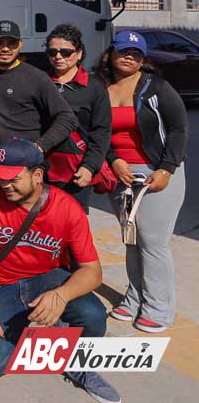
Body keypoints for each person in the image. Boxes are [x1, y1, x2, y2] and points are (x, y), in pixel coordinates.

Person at [0, 139, 121, 403]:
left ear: (37, 176)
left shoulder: (67, 208)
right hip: (0, 284)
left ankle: (79, 363)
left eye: (12, 178)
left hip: (47, 278)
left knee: (94, 316)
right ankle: (38, 329)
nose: (4, 185)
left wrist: (60, 295)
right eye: (0, 177)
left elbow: (93, 272)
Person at [100, 30, 188, 334]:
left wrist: (166, 169)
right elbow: (94, 132)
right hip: (120, 172)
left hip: (155, 171)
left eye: (136, 54)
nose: (129, 57)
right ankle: (135, 297)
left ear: (143, 59)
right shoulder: (100, 87)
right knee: (132, 239)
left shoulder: (156, 87)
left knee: (153, 242)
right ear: (111, 53)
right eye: (123, 51)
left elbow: (178, 129)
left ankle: (159, 307)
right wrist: (113, 159)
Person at [0, 20, 78, 188]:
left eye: (11, 43)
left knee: (24, 214)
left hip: (24, 168)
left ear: (20, 44)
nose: (6, 48)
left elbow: (67, 118)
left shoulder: (36, 77)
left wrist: (39, 147)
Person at [43, 24, 112, 212]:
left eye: (66, 52)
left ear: (79, 54)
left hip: (76, 170)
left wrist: (89, 167)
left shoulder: (94, 87)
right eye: (52, 52)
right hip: (41, 169)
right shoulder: (40, 81)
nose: (58, 57)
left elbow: (101, 132)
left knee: (72, 226)